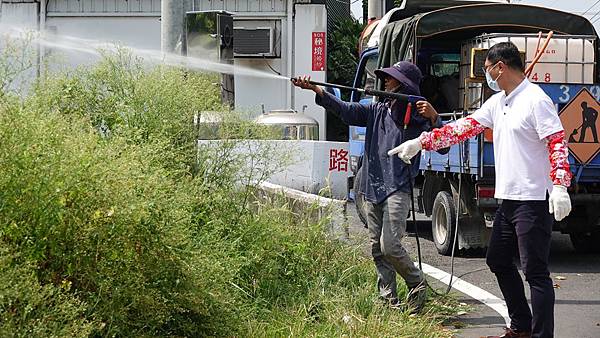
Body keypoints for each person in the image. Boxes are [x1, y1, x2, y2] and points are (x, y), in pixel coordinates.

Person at [388, 42, 572, 338]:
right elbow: (463, 128)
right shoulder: (499, 101)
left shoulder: (536, 100)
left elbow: (557, 142)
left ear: (501, 67)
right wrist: (422, 142)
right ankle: (521, 326)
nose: (485, 75)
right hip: (509, 200)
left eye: (486, 69)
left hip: (534, 200)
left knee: (535, 272)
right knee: (497, 259)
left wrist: (560, 185)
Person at [292, 61, 445, 312]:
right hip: (371, 186)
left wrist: (435, 118)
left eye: (391, 79)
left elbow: (444, 144)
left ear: (404, 84)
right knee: (377, 248)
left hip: (398, 187)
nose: (385, 81)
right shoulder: (377, 110)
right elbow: (347, 110)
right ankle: (388, 300)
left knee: (390, 246)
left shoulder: (418, 114)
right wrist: (318, 91)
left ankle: (417, 284)